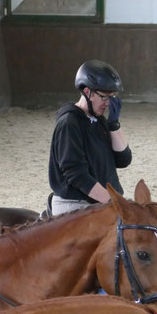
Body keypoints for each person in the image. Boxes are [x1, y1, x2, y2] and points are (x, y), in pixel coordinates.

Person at [47, 59, 132, 215]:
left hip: (102, 201)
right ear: (87, 92)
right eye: (104, 97)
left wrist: (114, 125)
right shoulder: (69, 123)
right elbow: (77, 175)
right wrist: (116, 203)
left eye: (112, 97)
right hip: (75, 203)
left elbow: (124, 159)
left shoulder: (98, 121)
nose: (108, 103)